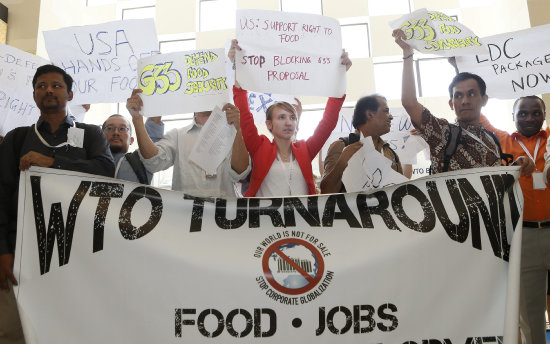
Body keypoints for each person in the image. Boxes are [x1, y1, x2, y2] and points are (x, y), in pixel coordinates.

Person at [0, 64, 114, 342]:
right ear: (34, 95)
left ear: (70, 94)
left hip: (77, 253)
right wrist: (2, 250)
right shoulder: (17, 139)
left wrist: (52, 163)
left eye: (56, 85)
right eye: (41, 86)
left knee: (70, 329)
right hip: (21, 251)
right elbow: (2, 197)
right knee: (13, 331)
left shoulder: (90, 135)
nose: (48, 90)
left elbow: (105, 172)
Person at [392, 29, 534, 175]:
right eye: (458, 96)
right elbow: (409, 102)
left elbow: (494, 182)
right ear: (451, 104)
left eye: (471, 94)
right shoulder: (441, 133)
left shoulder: (491, 140)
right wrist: (407, 54)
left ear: (484, 100)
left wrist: (516, 167)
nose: (465, 101)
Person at [230, 39, 352, 197]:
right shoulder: (259, 147)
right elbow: (244, 115)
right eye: (281, 117)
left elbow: (328, 122)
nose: (288, 122)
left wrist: (340, 77)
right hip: (264, 220)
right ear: (269, 124)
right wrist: (237, 66)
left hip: (303, 221)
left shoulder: (305, 150)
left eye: (292, 117)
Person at [483, 96, 550, 344]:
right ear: (513, 116)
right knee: (530, 317)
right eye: (523, 113)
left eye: (536, 113)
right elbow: (476, 114)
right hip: (524, 238)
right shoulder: (501, 142)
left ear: (544, 115)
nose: (530, 118)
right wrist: (458, 63)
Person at [127, 89, 250, 197]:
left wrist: (237, 130)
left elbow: (240, 173)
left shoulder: (232, 133)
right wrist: (137, 119)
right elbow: (153, 163)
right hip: (186, 219)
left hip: (223, 219)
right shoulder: (177, 136)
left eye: (209, 90)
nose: (204, 95)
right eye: (199, 91)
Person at [321, 94, 404, 194]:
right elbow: (327, 193)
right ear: (369, 114)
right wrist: (342, 163)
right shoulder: (342, 146)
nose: (391, 117)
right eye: (386, 111)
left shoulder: (390, 153)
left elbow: (400, 192)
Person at [102, 114, 164, 184]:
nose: (116, 132)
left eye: (122, 129)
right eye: (110, 128)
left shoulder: (142, 160)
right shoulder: (91, 161)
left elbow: (153, 128)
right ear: (101, 137)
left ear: (131, 140)